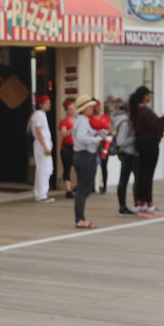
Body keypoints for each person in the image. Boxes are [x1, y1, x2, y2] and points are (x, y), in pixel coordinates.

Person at [129, 85, 164, 217]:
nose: (150, 96)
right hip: (150, 144)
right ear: (144, 96)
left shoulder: (136, 111)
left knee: (141, 175)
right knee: (147, 175)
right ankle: (150, 204)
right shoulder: (145, 111)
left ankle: (141, 203)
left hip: (141, 144)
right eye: (148, 94)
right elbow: (156, 126)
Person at [71, 96, 108, 229]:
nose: (92, 109)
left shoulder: (81, 120)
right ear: (85, 108)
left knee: (84, 188)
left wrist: (97, 134)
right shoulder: (83, 121)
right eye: (90, 107)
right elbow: (81, 137)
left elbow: (85, 135)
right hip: (84, 155)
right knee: (83, 188)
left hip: (81, 155)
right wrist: (96, 140)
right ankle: (80, 219)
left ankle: (80, 218)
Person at [110, 98, 137, 215]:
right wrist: (134, 138)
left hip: (126, 153)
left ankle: (125, 205)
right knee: (124, 179)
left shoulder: (121, 120)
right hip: (127, 153)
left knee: (124, 179)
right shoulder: (125, 122)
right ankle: (122, 206)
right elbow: (121, 141)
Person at [28, 94, 54, 202]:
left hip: (44, 143)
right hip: (41, 144)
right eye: (46, 103)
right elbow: (39, 131)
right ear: (40, 104)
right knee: (44, 169)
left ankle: (41, 193)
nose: (49, 105)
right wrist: (45, 147)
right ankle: (41, 194)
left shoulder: (41, 115)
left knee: (46, 168)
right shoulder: (39, 115)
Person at [57, 98, 76, 198]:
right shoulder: (63, 122)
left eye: (73, 109)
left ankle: (78, 186)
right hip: (66, 147)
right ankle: (68, 189)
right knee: (67, 167)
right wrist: (72, 129)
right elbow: (64, 134)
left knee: (78, 166)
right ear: (66, 110)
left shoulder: (78, 120)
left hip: (76, 147)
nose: (72, 111)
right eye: (70, 109)